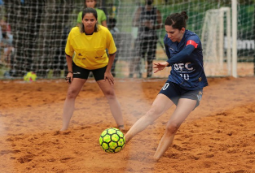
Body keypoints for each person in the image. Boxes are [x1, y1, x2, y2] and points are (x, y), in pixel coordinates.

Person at [125, 11, 208, 160]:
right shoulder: (167, 39)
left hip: (193, 88)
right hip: (175, 82)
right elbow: (174, 58)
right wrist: (170, 64)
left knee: (172, 126)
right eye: (166, 32)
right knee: (152, 112)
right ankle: (124, 140)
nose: (169, 35)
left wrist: (167, 63)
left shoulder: (193, 39)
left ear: (182, 30)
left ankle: (155, 159)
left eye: (172, 32)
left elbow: (187, 52)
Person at [61, 8, 124, 131]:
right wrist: (70, 71)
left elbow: (112, 52)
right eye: (86, 20)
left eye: (92, 20)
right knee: (71, 93)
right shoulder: (74, 33)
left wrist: (108, 71)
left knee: (110, 93)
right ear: (82, 20)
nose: (89, 22)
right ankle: (64, 127)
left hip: (100, 65)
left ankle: (121, 125)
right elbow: (68, 54)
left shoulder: (104, 32)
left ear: (96, 21)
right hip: (81, 65)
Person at [129, 0, 162, 78]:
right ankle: (133, 74)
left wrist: (152, 26)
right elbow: (133, 23)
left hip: (152, 38)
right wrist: (143, 24)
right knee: (137, 56)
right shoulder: (140, 10)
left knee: (150, 58)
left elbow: (161, 24)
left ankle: (149, 74)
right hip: (141, 37)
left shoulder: (156, 11)